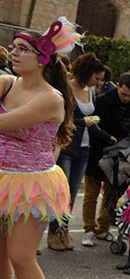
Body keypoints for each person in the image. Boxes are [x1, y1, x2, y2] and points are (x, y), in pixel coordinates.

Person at [0, 18, 77, 279]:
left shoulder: (51, 98)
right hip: (3, 180)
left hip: (32, 184)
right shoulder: (6, 83)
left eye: (23, 49)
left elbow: (4, 123)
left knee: (21, 255)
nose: (14, 53)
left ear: (42, 58)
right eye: (14, 48)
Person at [82, 72, 130, 245]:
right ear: (118, 86)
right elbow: (93, 125)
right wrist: (107, 137)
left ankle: (102, 227)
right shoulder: (103, 100)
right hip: (98, 151)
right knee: (91, 193)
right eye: (124, 94)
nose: (126, 98)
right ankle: (88, 229)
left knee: (110, 193)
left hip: (120, 155)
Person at [46, 51, 105, 251]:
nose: (97, 82)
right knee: (61, 192)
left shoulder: (91, 92)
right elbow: (62, 118)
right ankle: (54, 232)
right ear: (86, 73)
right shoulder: (68, 88)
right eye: (96, 78)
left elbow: (93, 115)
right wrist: (83, 122)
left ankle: (64, 230)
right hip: (67, 146)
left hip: (84, 148)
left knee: (71, 193)